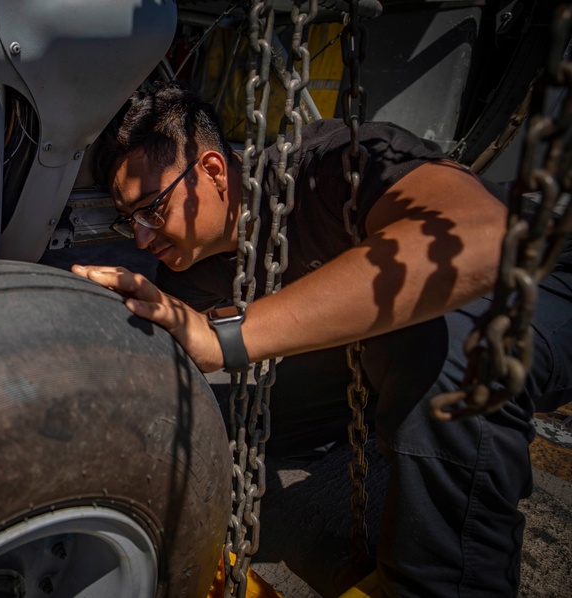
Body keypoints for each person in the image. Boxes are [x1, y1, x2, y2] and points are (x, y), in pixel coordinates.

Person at [72, 81, 572, 596]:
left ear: (214, 172)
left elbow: (480, 240)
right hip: (367, 355)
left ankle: (447, 585)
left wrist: (227, 338)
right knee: (207, 417)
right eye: (129, 220)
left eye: (152, 209)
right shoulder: (187, 273)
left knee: (441, 342)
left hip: (539, 283)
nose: (142, 238)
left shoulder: (331, 164)